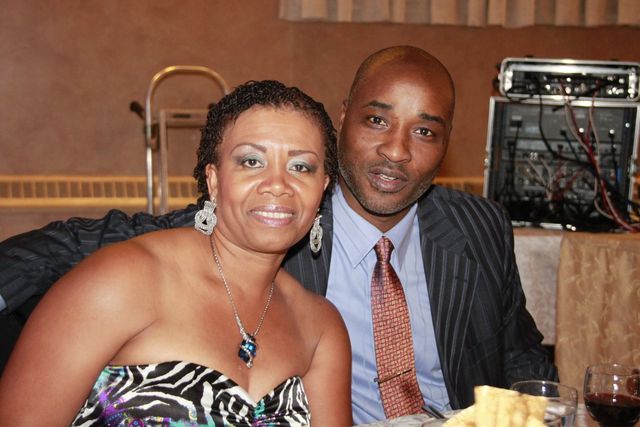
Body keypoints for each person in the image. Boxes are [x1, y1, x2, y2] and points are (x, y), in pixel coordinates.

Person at [0, 46, 558, 424]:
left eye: (425, 132)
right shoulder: (160, 264)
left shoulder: (477, 229)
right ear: (344, 121)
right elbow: (88, 243)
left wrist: (549, 412)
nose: (396, 150)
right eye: (377, 120)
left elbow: (520, 355)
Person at [0, 80, 352, 426]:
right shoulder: (123, 280)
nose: (277, 184)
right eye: (251, 161)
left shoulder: (320, 327)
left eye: (301, 167)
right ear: (214, 181)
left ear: (322, 188)